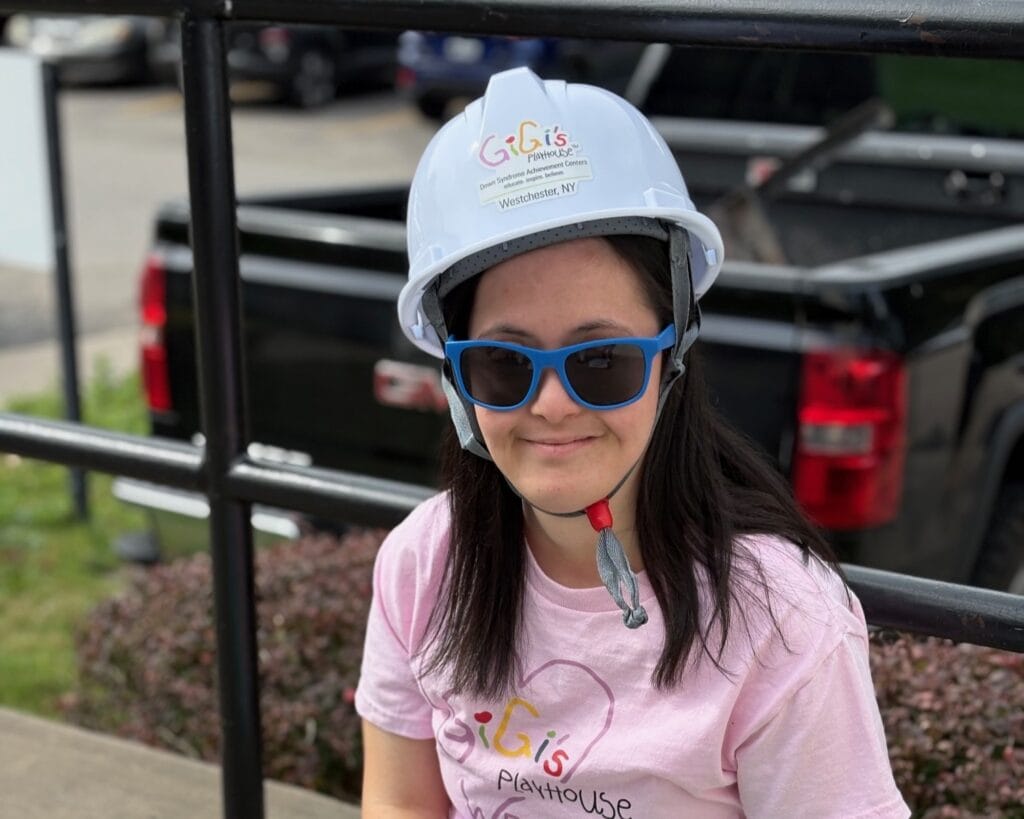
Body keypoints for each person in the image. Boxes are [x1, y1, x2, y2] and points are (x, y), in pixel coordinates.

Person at [356, 66, 909, 818]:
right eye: (502, 363)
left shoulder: (783, 622)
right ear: (455, 374)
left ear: (672, 351)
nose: (551, 404)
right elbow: (402, 805)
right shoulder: (425, 564)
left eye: (600, 362)